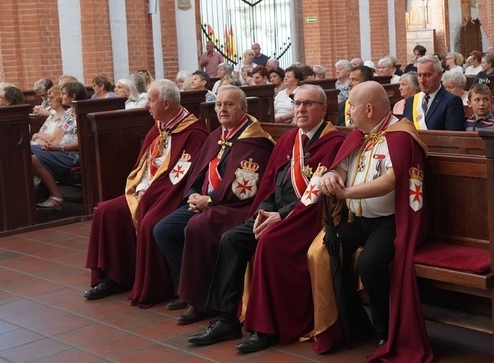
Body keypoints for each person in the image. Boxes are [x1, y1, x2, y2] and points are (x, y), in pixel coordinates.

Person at [186, 85, 344, 348]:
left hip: (307, 218)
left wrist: (280, 215)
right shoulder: (288, 140)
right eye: (297, 104)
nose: (301, 109)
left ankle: (266, 329)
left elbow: (317, 196)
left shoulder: (333, 143)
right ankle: (226, 319)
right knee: (232, 238)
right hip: (276, 213)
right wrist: (264, 212)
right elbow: (269, 185)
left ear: (324, 109)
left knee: (268, 244)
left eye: (308, 104)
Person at [312, 81, 432, 361]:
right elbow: (339, 166)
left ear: (368, 108)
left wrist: (346, 192)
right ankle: (352, 324)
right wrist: (331, 176)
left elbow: (392, 180)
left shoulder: (400, 136)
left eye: (352, 106)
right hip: (358, 218)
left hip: (391, 221)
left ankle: (385, 330)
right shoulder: (359, 134)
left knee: (370, 262)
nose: (348, 111)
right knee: (330, 249)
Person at [153, 86, 274, 324]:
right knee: (163, 230)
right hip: (206, 203)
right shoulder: (216, 135)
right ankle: (187, 289)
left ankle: (200, 302)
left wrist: (210, 200)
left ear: (243, 108)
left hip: (236, 208)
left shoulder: (255, 140)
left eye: (229, 104)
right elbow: (198, 173)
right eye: (219, 105)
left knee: (196, 228)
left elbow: (245, 189)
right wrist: (191, 195)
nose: (222, 109)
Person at [84, 80, 209, 306]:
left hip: (170, 198)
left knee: (150, 222)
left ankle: (158, 286)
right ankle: (115, 277)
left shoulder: (194, 134)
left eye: (151, 101)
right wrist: (140, 190)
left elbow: (179, 179)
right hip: (146, 192)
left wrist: (147, 196)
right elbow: (143, 166)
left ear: (167, 103)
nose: (146, 106)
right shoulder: (158, 127)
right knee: (106, 210)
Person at [32, 82, 87, 210]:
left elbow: (83, 141)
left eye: (63, 94)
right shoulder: (68, 113)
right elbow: (59, 135)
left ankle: (53, 196)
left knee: (27, 150)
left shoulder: (83, 114)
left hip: (73, 154)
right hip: (59, 149)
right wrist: (51, 145)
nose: (61, 97)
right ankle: (53, 196)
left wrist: (59, 148)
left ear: (73, 96)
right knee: (30, 156)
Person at [403, 55, 465, 131]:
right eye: (419, 75)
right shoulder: (411, 101)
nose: (422, 81)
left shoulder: (451, 101)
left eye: (427, 75)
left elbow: (453, 137)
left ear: (439, 75)